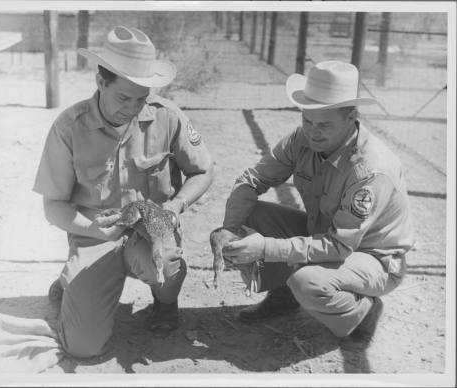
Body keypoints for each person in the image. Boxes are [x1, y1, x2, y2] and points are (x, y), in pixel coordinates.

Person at [33, 26, 215, 358]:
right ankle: (71, 283)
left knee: (169, 266)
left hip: (150, 232)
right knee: (83, 348)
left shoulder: (167, 117)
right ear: (101, 82)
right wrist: (89, 228)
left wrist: (175, 206)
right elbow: (52, 206)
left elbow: (203, 171)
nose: (133, 108)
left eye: (141, 98)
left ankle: (165, 302)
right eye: (123, 97)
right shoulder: (68, 128)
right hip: (95, 238)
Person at [223, 61, 413, 351]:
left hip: (372, 257)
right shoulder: (301, 139)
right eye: (307, 121)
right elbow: (251, 181)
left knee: (308, 283)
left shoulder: (371, 170)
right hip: (324, 234)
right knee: (249, 210)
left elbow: (339, 246)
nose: (312, 132)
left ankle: (364, 314)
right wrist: (228, 231)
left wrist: (264, 248)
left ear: (351, 117)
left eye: (324, 124)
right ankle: (283, 297)